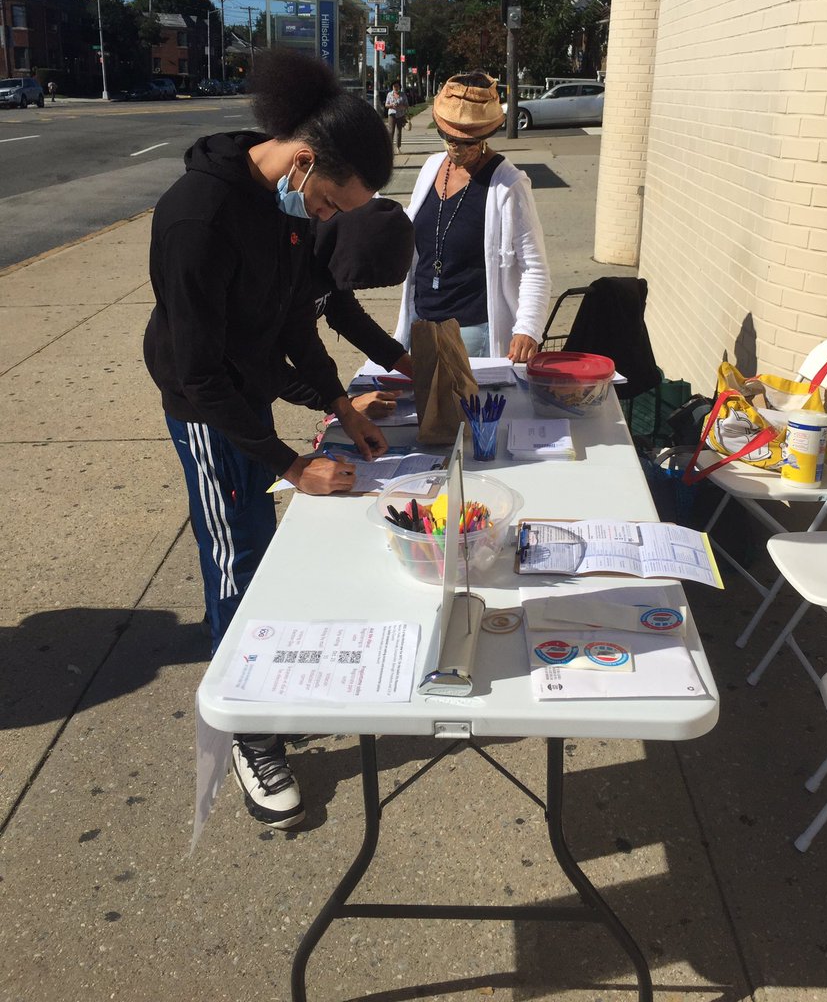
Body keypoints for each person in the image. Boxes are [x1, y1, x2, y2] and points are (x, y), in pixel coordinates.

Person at [143, 48, 393, 832]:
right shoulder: (196, 215)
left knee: (264, 548)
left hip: (244, 389)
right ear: (305, 160)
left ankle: (263, 690)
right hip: (204, 405)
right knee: (237, 558)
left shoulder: (283, 215)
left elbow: (294, 321)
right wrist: (291, 464)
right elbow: (199, 374)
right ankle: (247, 732)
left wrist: (339, 405)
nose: (323, 220)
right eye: (327, 205)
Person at [394, 71, 551, 362]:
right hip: (422, 324)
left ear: (485, 135)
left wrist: (528, 328)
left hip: (473, 332)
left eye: (467, 141)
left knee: (467, 409)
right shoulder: (431, 168)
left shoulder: (508, 185)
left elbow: (534, 266)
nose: (456, 147)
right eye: (448, 137)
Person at [282, 196, 415, 420]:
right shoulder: (291, 262)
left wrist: (410, 366)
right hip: (220, 396)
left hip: (251, 392)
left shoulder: (329, 253)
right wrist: (340, 404)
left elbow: (346, 314)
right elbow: (261, 360)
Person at [384, 78, 409, 151]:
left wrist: (401, 106)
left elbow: (407, 105)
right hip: (392, 114)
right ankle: (390, 148)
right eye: (394, 86)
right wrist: (391, 105)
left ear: (399, 87)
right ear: (392, 87)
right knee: (391, 131)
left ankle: (398, 147)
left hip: (400, 115)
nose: (395, 87)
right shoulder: (389, 94)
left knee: (399, 131)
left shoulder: (403, 95)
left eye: (397, 86)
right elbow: (386, 105)